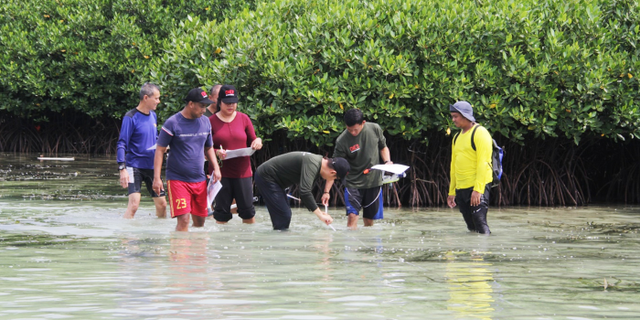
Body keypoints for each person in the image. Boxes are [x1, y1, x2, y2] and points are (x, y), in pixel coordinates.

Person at [152, 87, 222, 232]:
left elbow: (209, 147)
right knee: (184, 220)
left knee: (200, 221)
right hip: (178, 179)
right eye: (202, 106)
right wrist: (157, 178)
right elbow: (159, 150)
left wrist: (216, 167)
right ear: (191, 104)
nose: (204, 110)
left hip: (199, 179)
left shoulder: (206, 122)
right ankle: (178, 253)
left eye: (205, 106)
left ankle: (196, 253)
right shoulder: (173, 123)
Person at [325, 108, 392, 229]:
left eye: (356, 129)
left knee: (369, 220)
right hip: (353, 183)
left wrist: (387, 161)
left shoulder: (375, 129)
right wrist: (326, 192)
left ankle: (368, 246)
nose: (353, 133)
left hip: (373, 182)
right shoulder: (342, 141)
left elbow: (383, 147)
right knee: (352, 216)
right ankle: (351, 245)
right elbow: (334, 166)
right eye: (349, 129)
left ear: (363, 123)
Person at [209, 85, 263, 224]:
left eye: (233, 102)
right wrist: (217, 152)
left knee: (248, 212)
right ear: (219, 102)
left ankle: (248, 243)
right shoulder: (210, 122)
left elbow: (254, 139)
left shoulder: (244, 118)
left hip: (243, 173)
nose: (230, 106)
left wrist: (257, 141)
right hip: (221, 174)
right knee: (221, 213)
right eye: (227, 103)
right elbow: (204, 148)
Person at [255, 152, 350, 230]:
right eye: (335, 178)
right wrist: (320, 215)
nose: (332, 180)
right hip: (266, 177)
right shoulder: (313, 164)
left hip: (276, 182)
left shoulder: (319, 163)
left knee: (285, 214)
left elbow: (306, 191)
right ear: (333, 172)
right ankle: (279, 247)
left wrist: (326, 193)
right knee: (283, 216)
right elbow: (304, 192)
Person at [116, 82, 167, 219]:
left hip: (151, 166)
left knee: (162, 205)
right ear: (146, 98)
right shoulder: (130, 117)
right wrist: (122, 168)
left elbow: (156, 138)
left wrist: (164, 145)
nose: (158, 101)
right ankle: (125, 238)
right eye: (156, 98)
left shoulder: (153, 115)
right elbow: (122, 143)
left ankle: (159, 236)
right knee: (134, 205)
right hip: (134, 166)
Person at [447, 101, 493, 234]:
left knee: (480, 223)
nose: (453, 120)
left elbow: (483, 162)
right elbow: (453, 166)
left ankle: (482, 253)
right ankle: (473, 252)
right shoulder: (456, 137)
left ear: (465, 116)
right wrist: (452, 192)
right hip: (461, 187)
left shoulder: (480, 133)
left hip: (477, 187)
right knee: (471, 227)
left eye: (456, 116)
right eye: (452, 116)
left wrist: (478, 190)